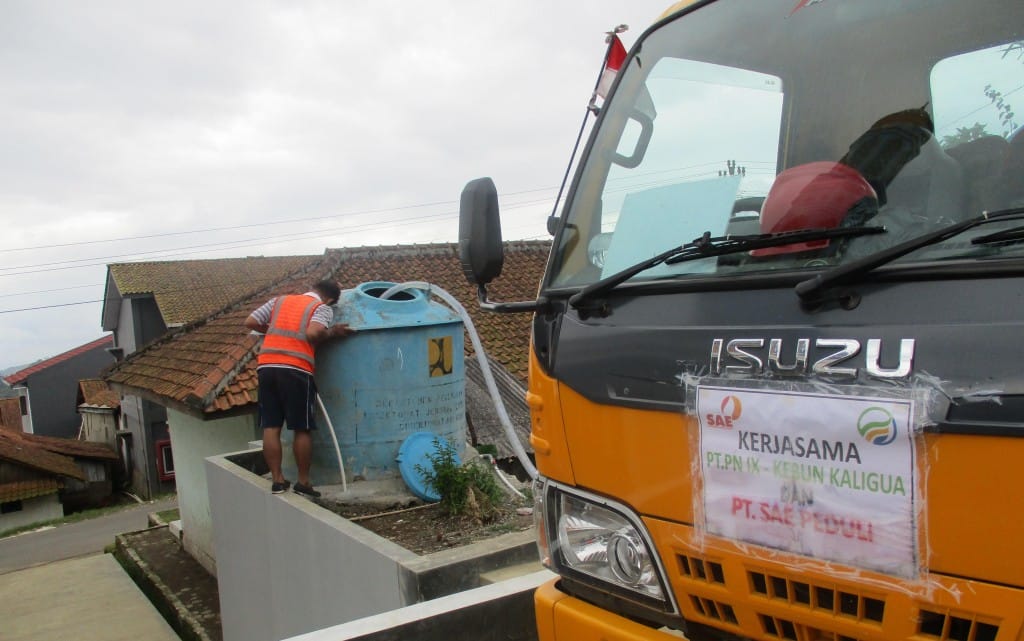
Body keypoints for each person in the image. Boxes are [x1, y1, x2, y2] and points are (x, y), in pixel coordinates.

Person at [244, 279, 354, 498]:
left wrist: (272, 331)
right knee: (301, 428)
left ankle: (278, 480)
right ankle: (303, 482)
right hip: (295, 368)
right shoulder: (321, 308)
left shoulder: (279, 301)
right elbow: (313, 333)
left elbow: (251, 321)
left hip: (267, 366)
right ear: (329, 299)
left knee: (271, 426)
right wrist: (332, 332)